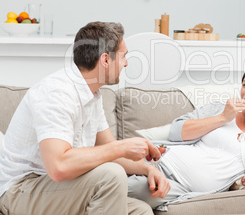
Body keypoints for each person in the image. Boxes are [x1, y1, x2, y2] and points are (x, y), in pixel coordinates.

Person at [0, 21, 170, 215]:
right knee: (111, 176)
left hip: (59, 188)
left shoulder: (92, 95)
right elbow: (59, 166)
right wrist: (122, 147)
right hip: (21, 191)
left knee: (141, 210)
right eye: (124, 56)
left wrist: (148, 169)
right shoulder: (56, 93)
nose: (126, 63)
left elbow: (110, 152)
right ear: (106, 60)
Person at [127, 63, 245, 211]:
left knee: (131, 188)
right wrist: (222, 118)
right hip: (160, 161)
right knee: (111, 166)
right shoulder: (219, 109)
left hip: (180, 188)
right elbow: (176, 131)